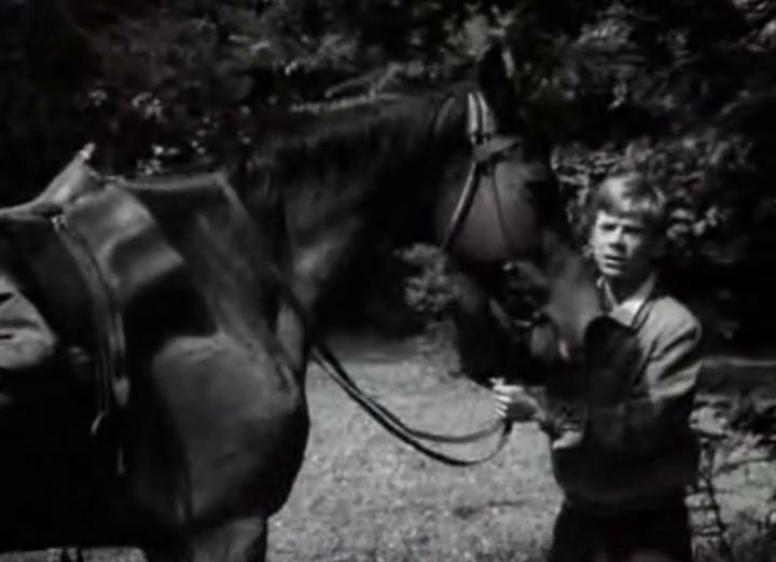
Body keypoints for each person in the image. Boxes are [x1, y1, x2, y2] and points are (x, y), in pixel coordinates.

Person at [494, 171, 702, 562]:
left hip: (648, 529)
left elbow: (636, 428)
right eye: (607, 227)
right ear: (591, 235)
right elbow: (533, 365)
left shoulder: (674, 327)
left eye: (632, 231)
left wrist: (540, 409)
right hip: (579, 519)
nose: (616, 242)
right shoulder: (572, 310)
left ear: (657, 244)